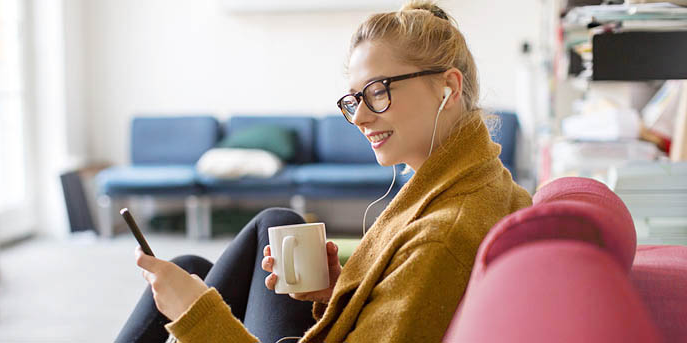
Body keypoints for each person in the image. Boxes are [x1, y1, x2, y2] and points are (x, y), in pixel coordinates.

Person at [116, 1, 532, 342]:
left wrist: (195, 316)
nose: (360, 117)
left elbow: (422, 284)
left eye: (378, 92)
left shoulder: (441, 236)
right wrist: (341, 290)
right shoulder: (476, 178)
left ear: (449, 87)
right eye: (355, 99)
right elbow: (404, 308)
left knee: (186, 289)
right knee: (201, 259)